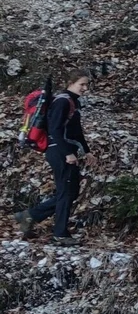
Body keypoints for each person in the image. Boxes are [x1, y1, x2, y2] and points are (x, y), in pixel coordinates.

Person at [19, 74, 89, 243]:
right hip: (59, 151)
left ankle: (30, 216)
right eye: (82, 84)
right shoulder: (62, 102)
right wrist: (67, 153)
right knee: (66, 192)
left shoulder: (71, 102)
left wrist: (87, 151)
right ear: (70, 83)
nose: (85, 88)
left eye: (87, 85)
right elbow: (55, 130)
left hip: (64, 150)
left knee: (71, 192)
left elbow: (75, 130)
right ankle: (60, 234)